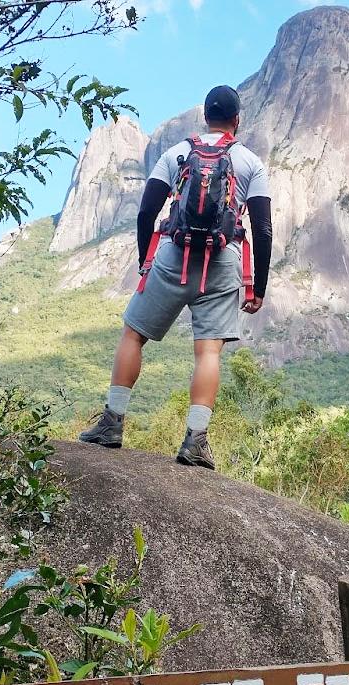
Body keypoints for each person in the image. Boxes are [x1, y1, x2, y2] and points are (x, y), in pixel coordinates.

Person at [79, 85, 273, 470]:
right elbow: (263, 229)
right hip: (222, 260)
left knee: (134, 334)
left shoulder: (176, 153)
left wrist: (144, 261)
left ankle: (112, 424)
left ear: (205, 118)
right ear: (236, 121)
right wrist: (258, 287)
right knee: (208, 351)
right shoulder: (250, 162)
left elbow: (146, 211)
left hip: (173, 254)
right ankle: (195, 441)